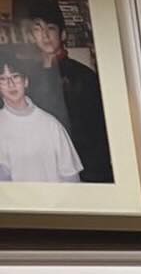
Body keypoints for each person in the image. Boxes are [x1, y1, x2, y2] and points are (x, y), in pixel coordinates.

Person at [23, 8, 111, 182]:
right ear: (32, 36)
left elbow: (98, 130)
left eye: (51, 28)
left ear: (62, 35)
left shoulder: (83, 76)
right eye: (38, 29)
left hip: (83, 165)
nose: (45, 35)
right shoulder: (26, 78)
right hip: (42, 165)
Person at [0, 48, 81, 185]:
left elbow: (71, 177)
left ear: (26, 82)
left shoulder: (51, 124)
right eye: (3, 79)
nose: (10, 84)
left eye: (15, 76)